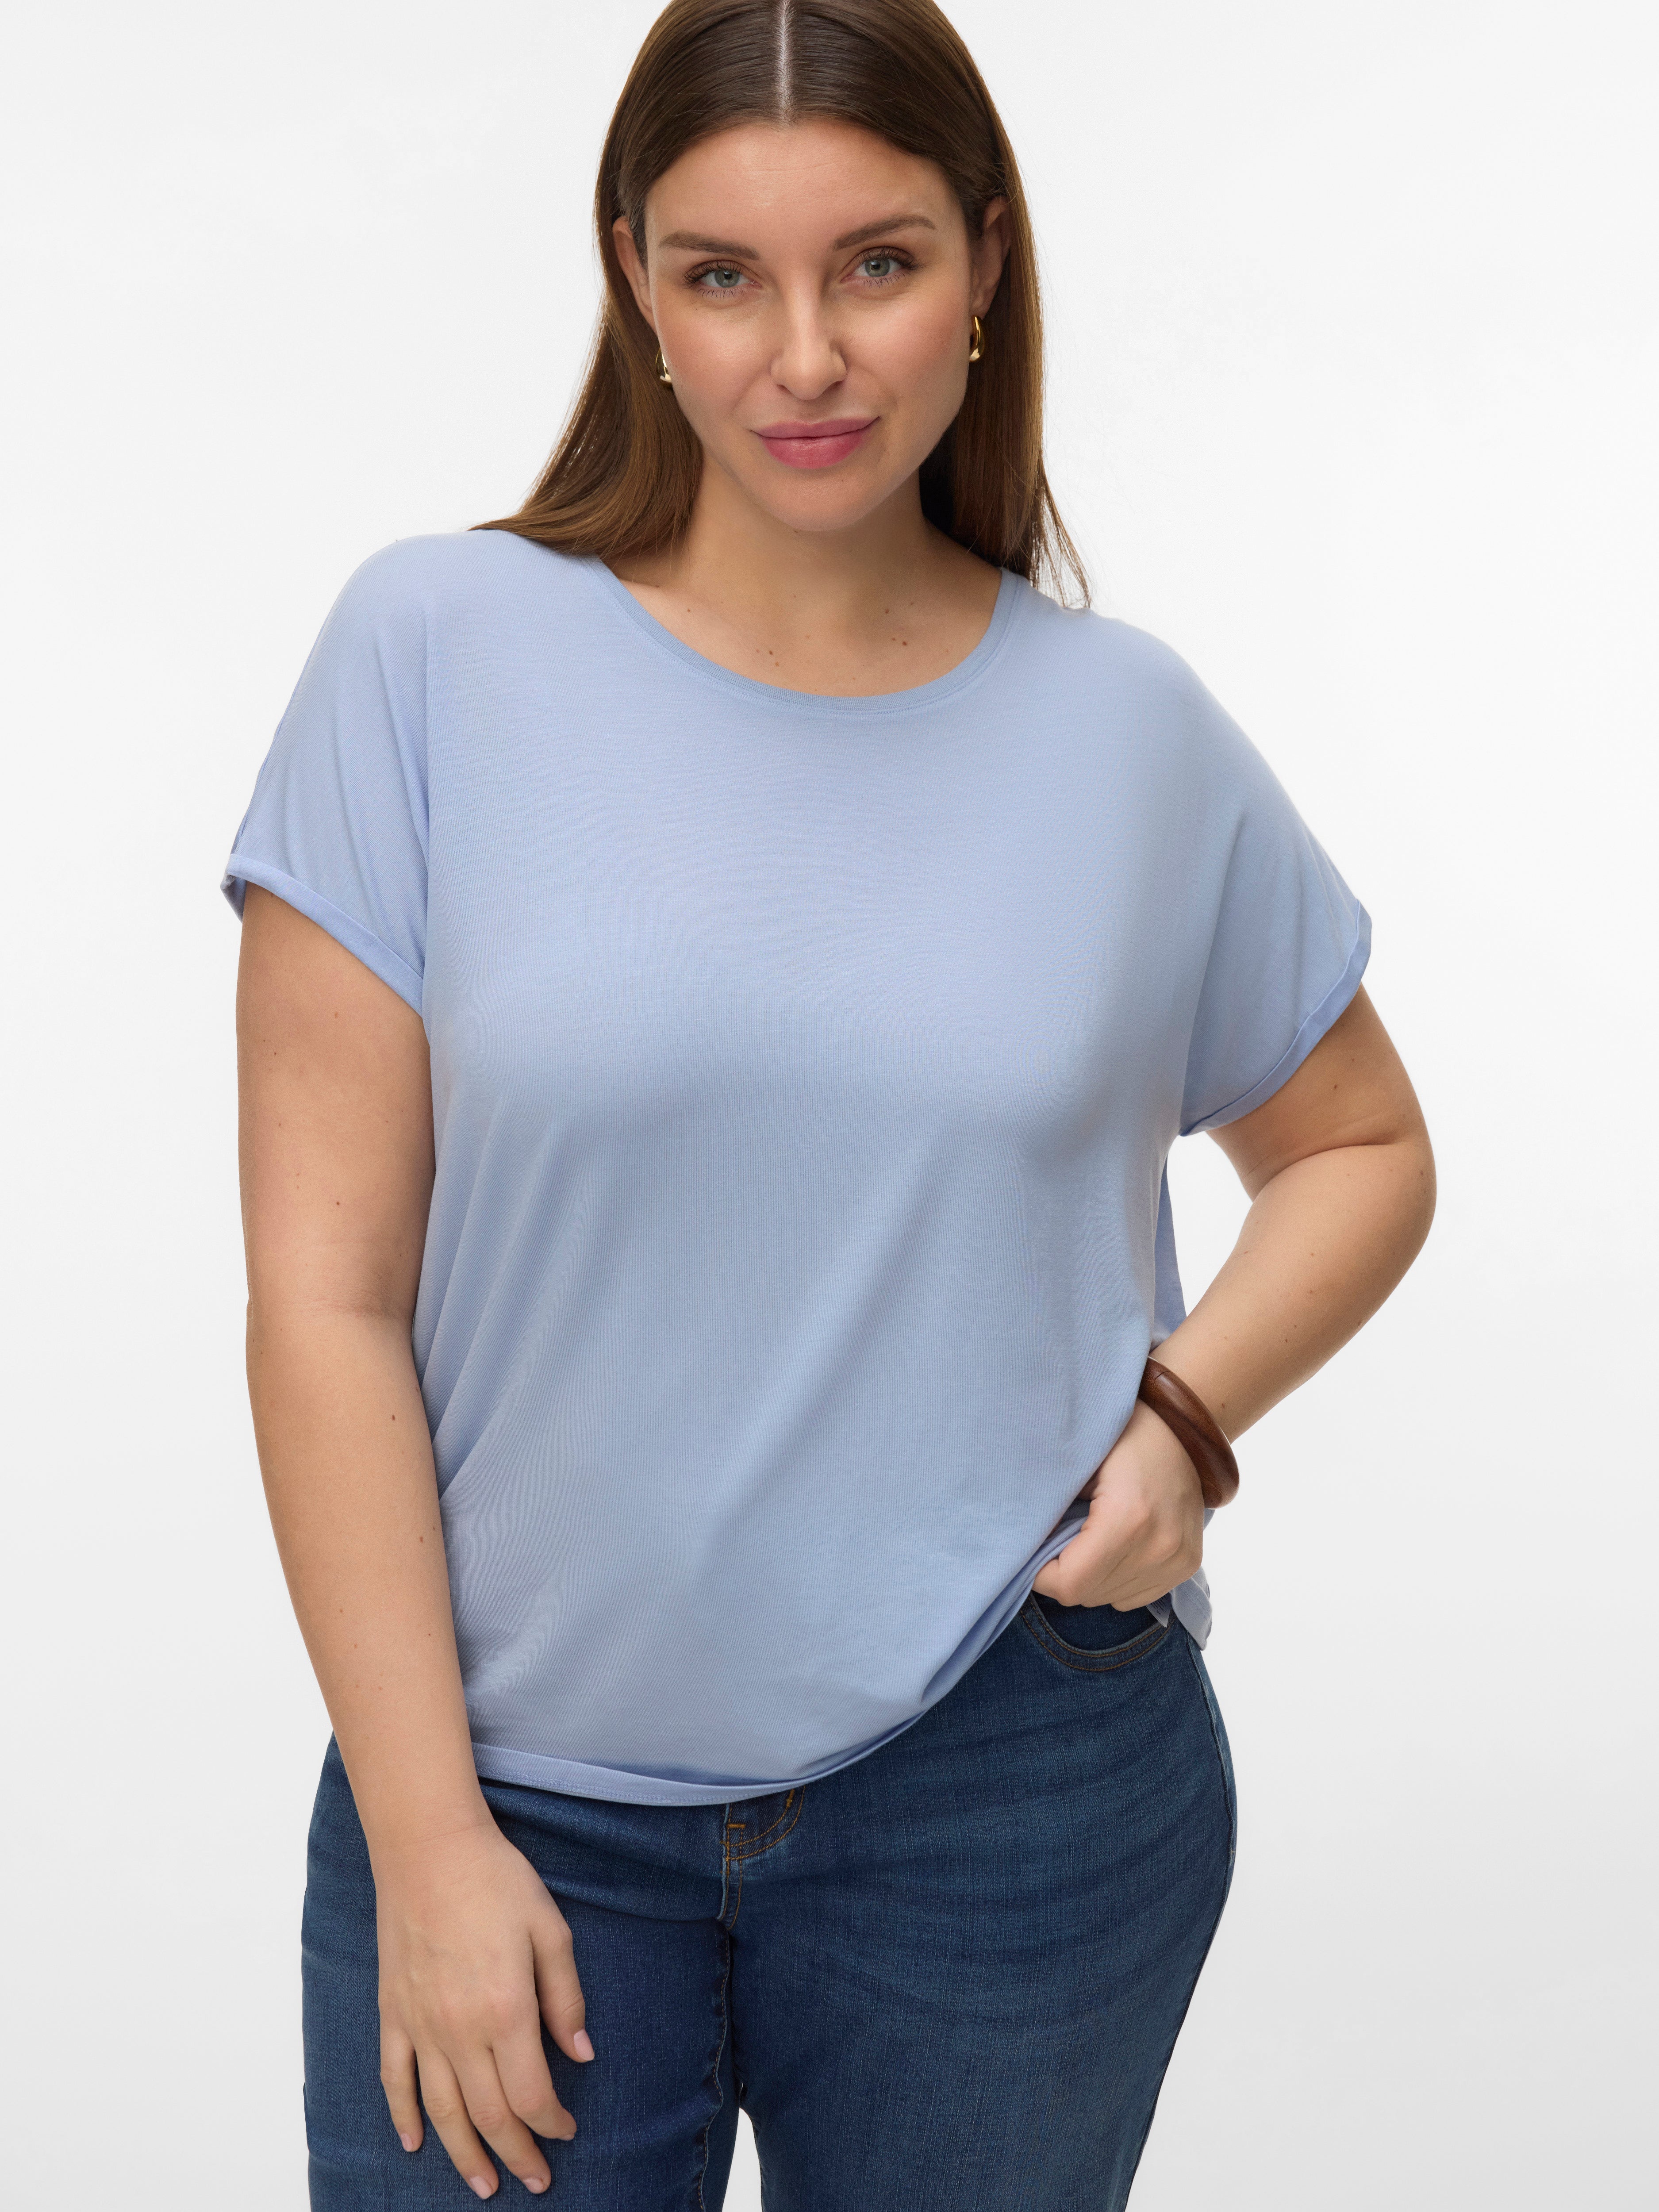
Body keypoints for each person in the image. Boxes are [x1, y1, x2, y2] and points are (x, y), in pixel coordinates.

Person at [227, 1, 1435, 2204]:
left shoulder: (1126, 735)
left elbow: (1358, 1144)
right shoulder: (428, 654)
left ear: (982, 267)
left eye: (875, 264)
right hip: (507, 1796)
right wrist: (427, 1834)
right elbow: (325, 1299)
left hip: (1011, 1781)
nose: (804, 356)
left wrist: (1182, 1424)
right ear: (633, 281)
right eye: (724, 274)